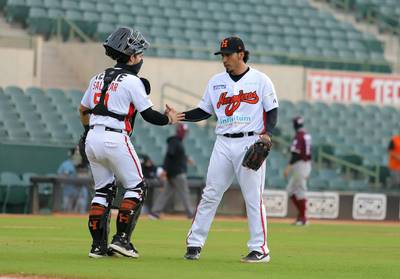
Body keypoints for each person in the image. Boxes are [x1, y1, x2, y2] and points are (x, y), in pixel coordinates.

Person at [79, 26, 181, 258]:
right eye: (140, 54)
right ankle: (121, 240)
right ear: (132, 56)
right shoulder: (132, 81)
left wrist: (87, 132)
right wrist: (169, 118)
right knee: (136, 187)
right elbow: (149, 115)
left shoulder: (97, 78)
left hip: (93, 136)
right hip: (115, 136)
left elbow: (83, 109)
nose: (141, 59)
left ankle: (97, 246)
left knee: (102, 190)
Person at [178, 36, 279, 263]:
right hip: (223, 142)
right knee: (211, 193)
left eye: (228, 55)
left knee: (253, 197)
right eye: (222, 55)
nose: (224, 59)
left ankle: (260, 249)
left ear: (241, 54)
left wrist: (267, 134)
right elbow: (204, 111)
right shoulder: (216, 82)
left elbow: (272, 111)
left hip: (249, 140)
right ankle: (194, 243)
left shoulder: (261, 80)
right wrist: (180, 116)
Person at [149, 123, 194, 219]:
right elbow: (169, 155)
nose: (184, 133)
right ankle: (190, 214)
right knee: (184, 193)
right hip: (177, 173)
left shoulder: (177, 142)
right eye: (184, 131)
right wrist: (165, 170)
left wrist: (186, 158)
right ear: (179, 131)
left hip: (172, 173)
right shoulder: (174, 141)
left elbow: (176, 156)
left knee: (166, 193)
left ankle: (154, 213)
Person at [284, 116, 312, 226]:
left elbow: (296, 153)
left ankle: (303, 218)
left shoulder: (299, 136)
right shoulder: (306, 135)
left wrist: (288, 167)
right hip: (305, 164)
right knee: (290, 190)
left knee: (300, 190)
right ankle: (301, 216)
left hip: (300, 164)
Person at [57, 147, 79, 212]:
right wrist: (66, 174)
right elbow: (59, 176)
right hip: (67, 190)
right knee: (67, 209)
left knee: (80, 210)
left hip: (80, 191)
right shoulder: (65, 164)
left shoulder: (84, 164)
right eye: (75, 153)